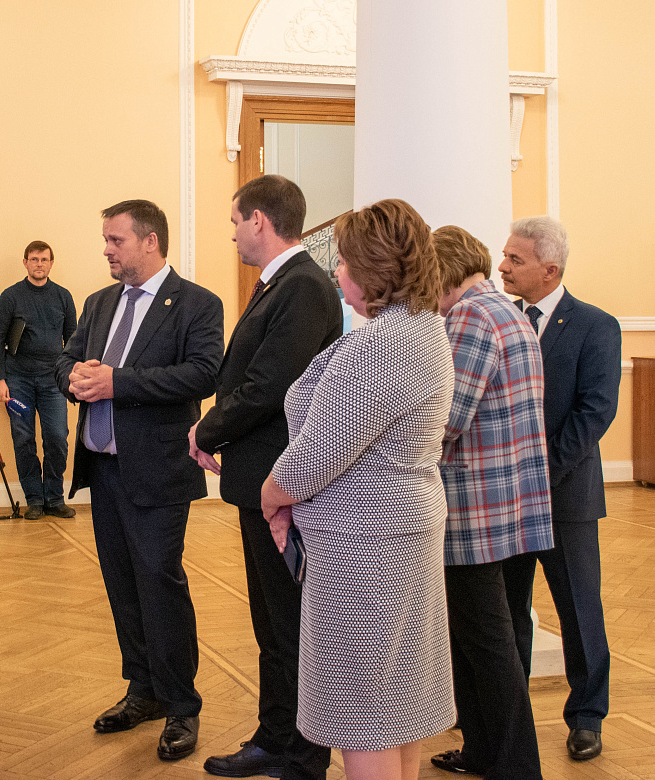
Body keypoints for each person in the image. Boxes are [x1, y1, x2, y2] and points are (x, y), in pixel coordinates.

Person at [260, 199, 455, 780]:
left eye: (344, 261)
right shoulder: (420, 329)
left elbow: (317, 456)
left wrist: (273, 493)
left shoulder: (386, 344)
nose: (337, 271)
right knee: (397, 705)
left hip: (365, 546)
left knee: (362, 712)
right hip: (398, 532)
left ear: (375, 267)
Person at [55, 199, 224, 761]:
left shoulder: (196, 303)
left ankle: (181, 705)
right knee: (122, 584)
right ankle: (143, 690)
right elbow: (66, 360)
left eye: (116, 240)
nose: (106, 249)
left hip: (158, 471)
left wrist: (117, 383)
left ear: (150, 241)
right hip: (103, 468)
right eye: (105, 239)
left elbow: (202, 374)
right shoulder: (99, 302)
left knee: (158, 583)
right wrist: (74, 376)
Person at [190, 175, 340, 780]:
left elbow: (268, 385)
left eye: (235, 221)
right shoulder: (283, 282)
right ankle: (277, 736)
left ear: (259, 220)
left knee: (289, 623)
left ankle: (300, 751)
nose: (232, 233)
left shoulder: (302, 286)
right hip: (261, 478)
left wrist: (206, 431)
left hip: (283, 481)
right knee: (273, 623)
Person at [427, 225, 551, 779]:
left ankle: (517, 766)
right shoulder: (509, 312)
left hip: (475, 510)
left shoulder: (470, 317)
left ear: (442, 272)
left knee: (488, 646)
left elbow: (447, 419)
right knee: (480, 643)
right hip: (507, 503)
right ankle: (482, 751)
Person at [499, 215, 622, 762]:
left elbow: (595, 412)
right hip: (505, 500)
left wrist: (539, 471)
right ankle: (506, 719)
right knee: (506, 613)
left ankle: (587, 716)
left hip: (565, 497)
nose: (503, 266)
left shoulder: (596, 326)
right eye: (505, 255)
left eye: (515, 259)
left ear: (550, 270)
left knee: (579, 611)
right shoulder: (500, 322)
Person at [0, 240, 77, 519]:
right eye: (34, 259)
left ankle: (54, 497)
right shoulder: (10, 296)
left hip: (54, 382)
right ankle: (34, 499)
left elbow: (73, 340)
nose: (39, 264)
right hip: (18, 382)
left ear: (51, 263)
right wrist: (0, 379)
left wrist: (70, 376)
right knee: (23, 438)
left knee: (57, 438)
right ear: (25, 262)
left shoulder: (63, 296)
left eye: (44, 259)